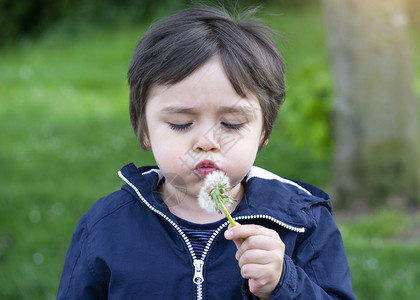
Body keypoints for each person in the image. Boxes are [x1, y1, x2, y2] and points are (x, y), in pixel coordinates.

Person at [57, 5, 355, 300]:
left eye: (231, 124)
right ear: (144, 129)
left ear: (264, 130)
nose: (208, 141)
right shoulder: (106, 227)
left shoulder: (302, 223)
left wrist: (284, 283)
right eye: (181, 124)